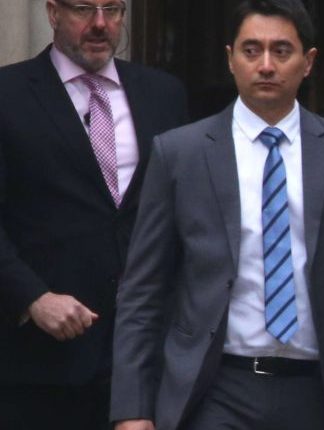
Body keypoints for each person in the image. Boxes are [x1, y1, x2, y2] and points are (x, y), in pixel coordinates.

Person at [109, 1, 324, 430]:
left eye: (281, 51)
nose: (265, 65)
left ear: (308, 62)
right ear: (230, 59)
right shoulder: (181, 153)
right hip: (214, 387)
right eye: (251, 50)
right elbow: (142, 290)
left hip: (321, 389)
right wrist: (132, 410)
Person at [0, 1, 188, 429]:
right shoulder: (8, 95)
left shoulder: (164, 94)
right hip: (40, 366)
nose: (101, 23)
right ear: (53, 12)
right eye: (85, 8)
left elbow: (182, 214)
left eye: (113, 9)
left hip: (143, 362)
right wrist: (32, 298)